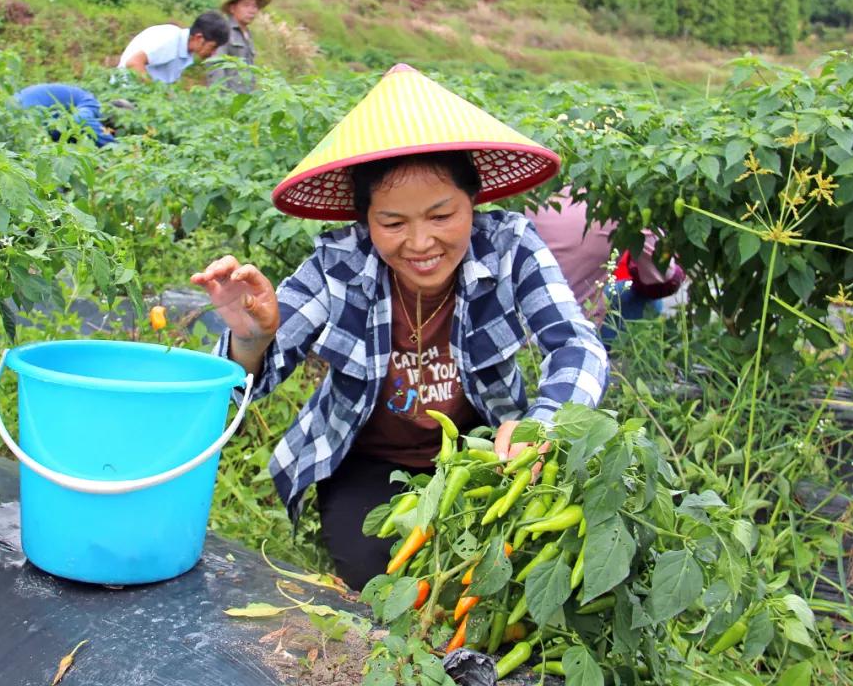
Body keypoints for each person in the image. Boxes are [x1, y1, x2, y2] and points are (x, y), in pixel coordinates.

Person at [190, 64, 609, 590]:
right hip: (367, 460)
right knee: (382, 579)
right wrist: (251, 337)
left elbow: (575, 345)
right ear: (365, 220)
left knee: (502, 577)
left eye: (441, 216)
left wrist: (541, 424)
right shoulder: (338, 263)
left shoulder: (510, 247)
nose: (420, 243)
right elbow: (242, 386)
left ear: (473, 203)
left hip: (481, 452)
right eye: (392, 223)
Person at [527, 189, 685, 337]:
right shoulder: (621, 200)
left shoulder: (523, 194)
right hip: (576, 330)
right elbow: (665, 280)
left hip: (516, 328)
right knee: (650, 299)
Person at [116, 12, 230, 84]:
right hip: (125, 96)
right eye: (213, 47)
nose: (213, 53)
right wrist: (153, 94)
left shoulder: (186, 51)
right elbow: (133, 63)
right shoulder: (170, 39)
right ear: (199, 38)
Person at [206, 0, 270, 93]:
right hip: (229, 102)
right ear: (232, 8)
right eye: (246, 5)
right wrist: (221, 102)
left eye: (255, 6)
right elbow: (216, 69)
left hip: (245, 102)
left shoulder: (247, 34)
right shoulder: (223, 31)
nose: (252, 10)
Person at [13, 83, 114, 147]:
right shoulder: (91, 102)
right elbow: (81, 119)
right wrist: (112, 145)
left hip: (14, 103)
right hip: (29, 110)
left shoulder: (78, 95)